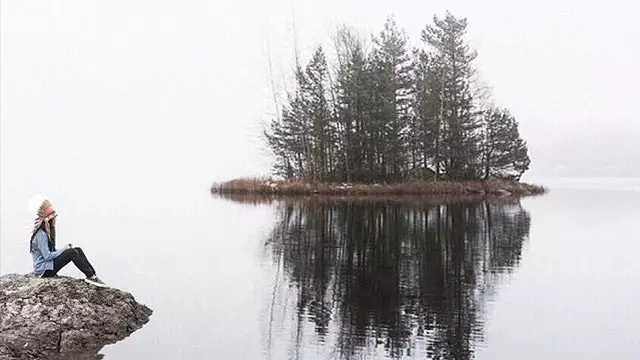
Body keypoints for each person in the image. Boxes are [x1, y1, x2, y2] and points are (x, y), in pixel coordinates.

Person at [29, 195, 107, 287]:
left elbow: (51, 252)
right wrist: (64, 250)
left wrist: (64, 250)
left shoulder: (46, 233)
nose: (55, 219)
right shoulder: (41, 235)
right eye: (54, 217)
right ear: (48, 219)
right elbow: (47, 256)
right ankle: (90, 276)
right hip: (44, 270)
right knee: (71, 253)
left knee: (77, 249)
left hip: (48, 265)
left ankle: (92, 275)